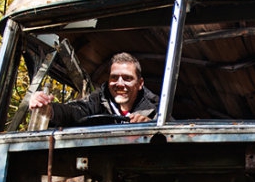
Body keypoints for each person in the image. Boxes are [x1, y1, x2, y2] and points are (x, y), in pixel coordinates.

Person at [28, 52, 158, 126]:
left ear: (140, 83)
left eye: (127, 78)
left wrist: (151, 126)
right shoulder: (97, 101)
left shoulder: (157, 108)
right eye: (114, 77)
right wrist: (49, 109)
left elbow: (172, 133)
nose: (119, 83)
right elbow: (74, 112)